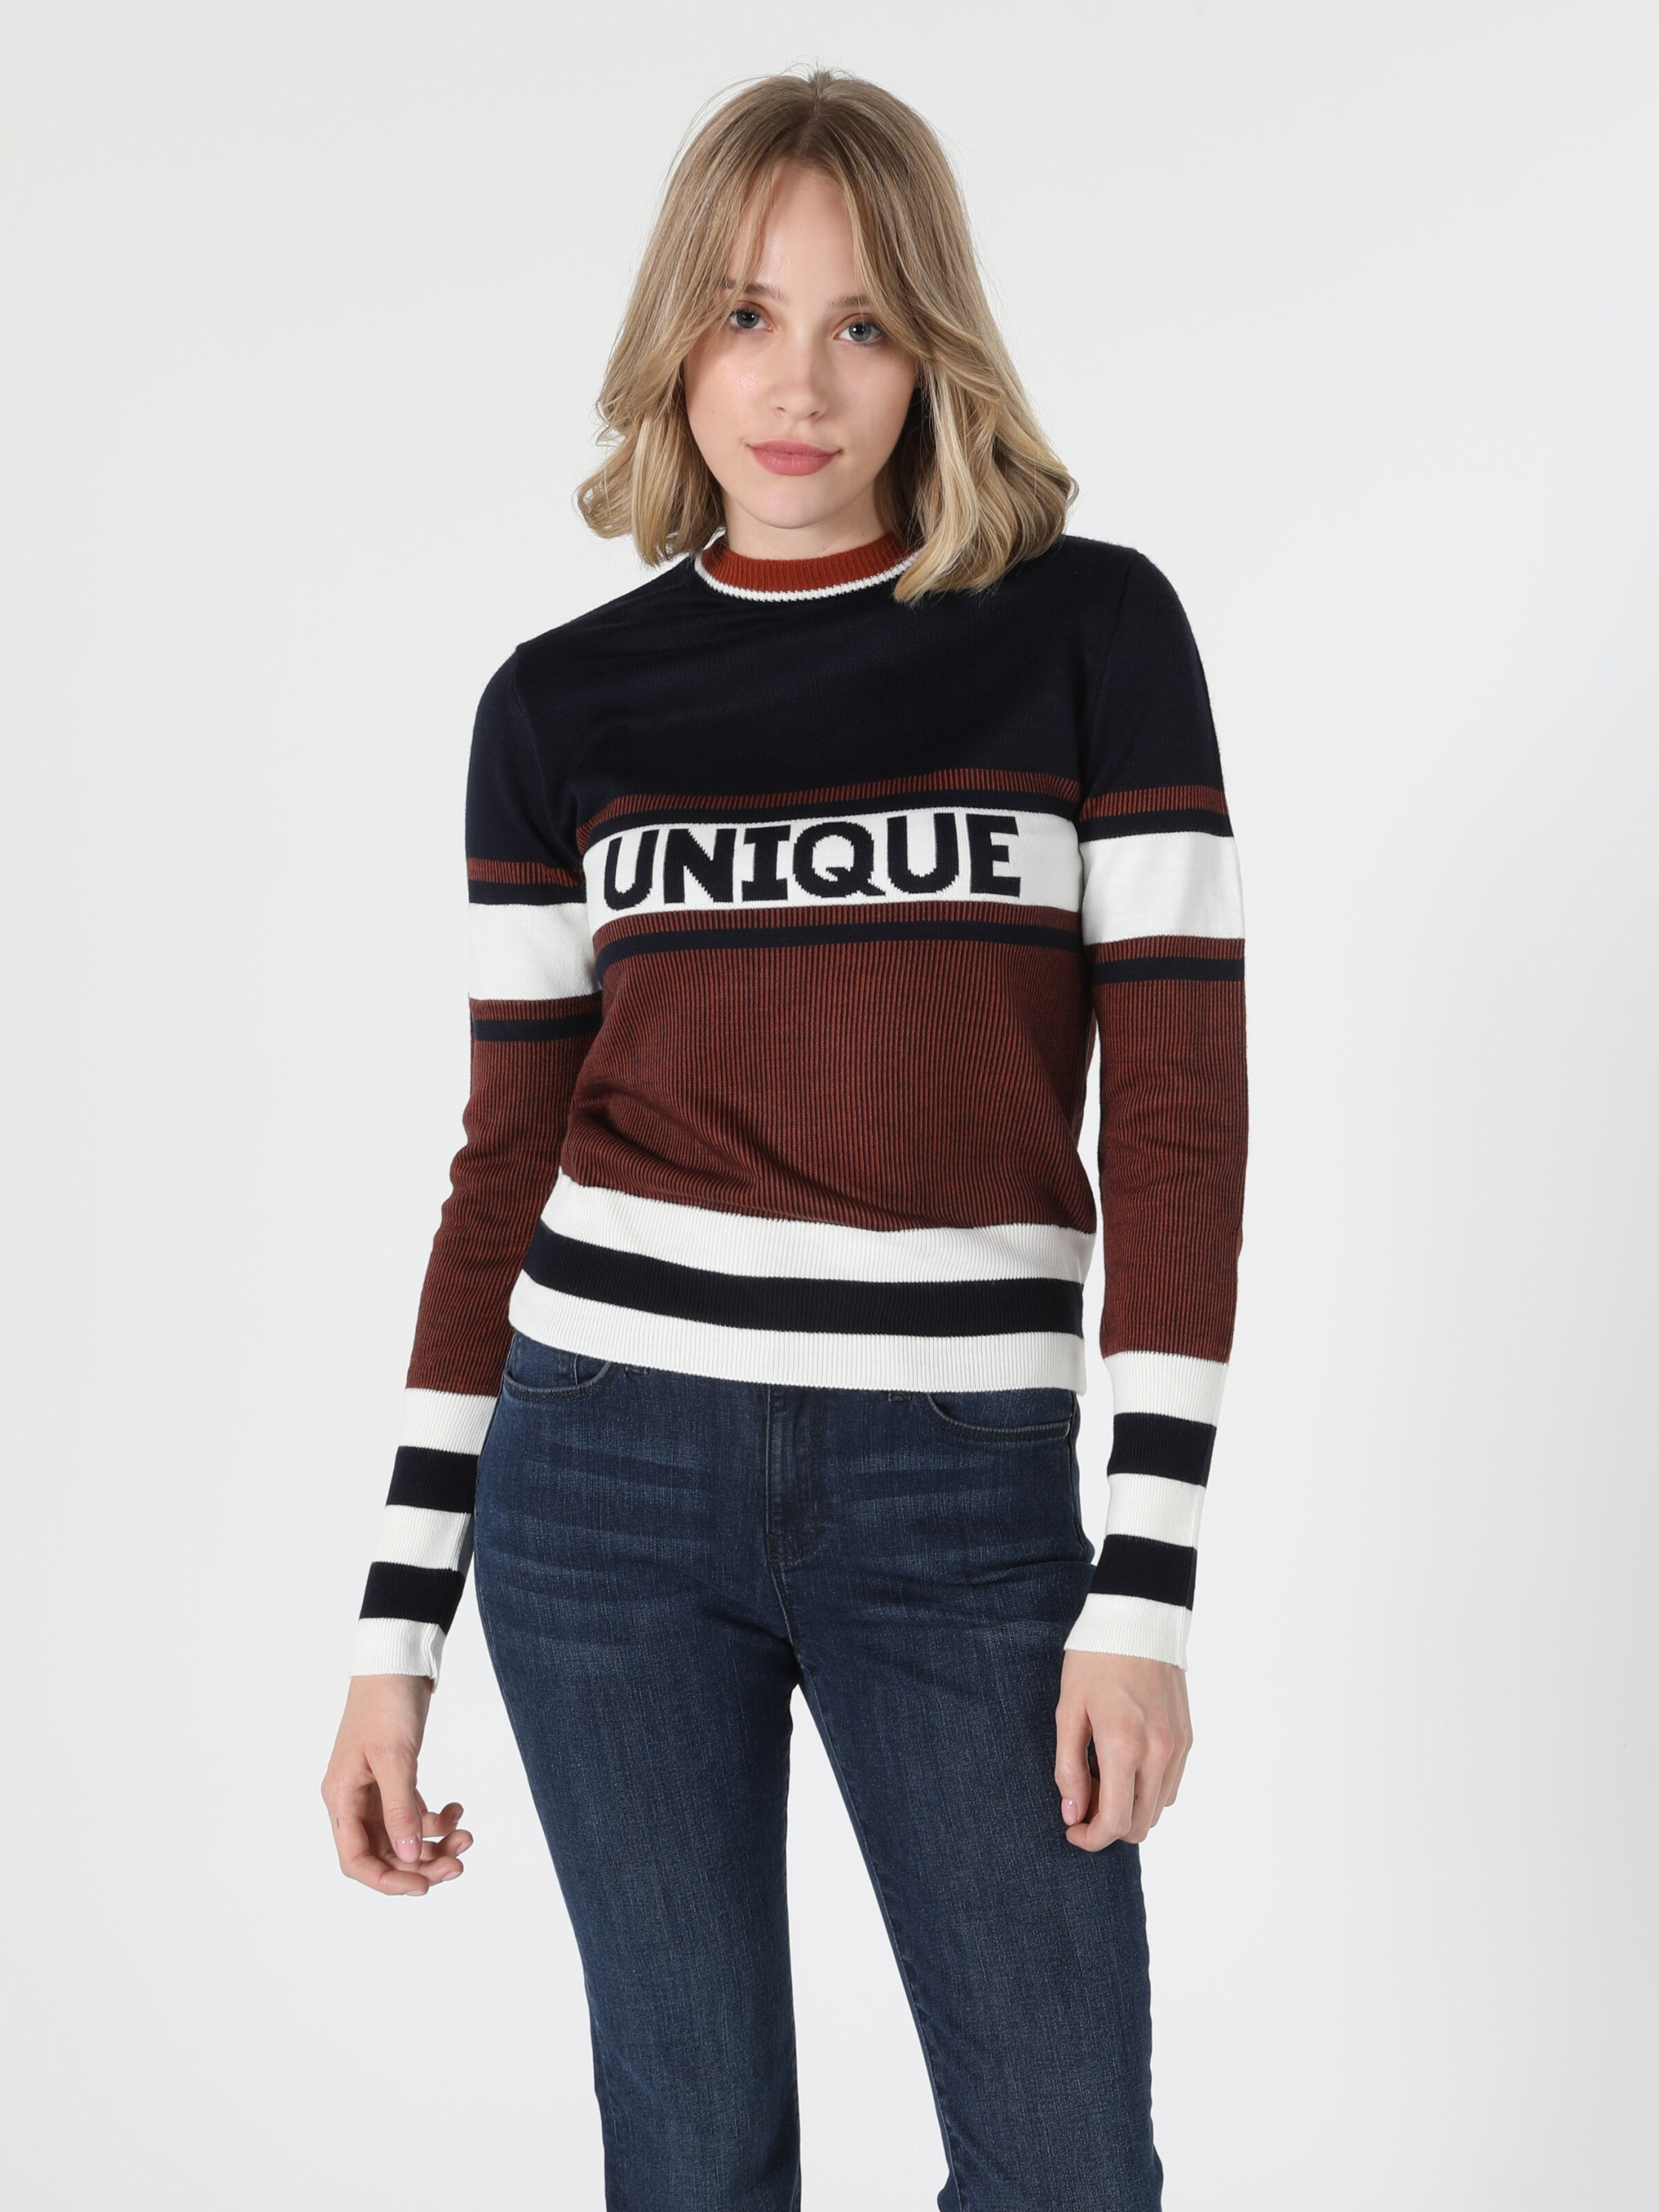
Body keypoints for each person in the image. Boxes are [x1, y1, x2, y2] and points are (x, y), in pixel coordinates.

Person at [321, 66, 1247, 2212]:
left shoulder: (1093, 636)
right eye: (744, 314)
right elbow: (501, 1166)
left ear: (934, 349)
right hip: (602, 1481)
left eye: (860, 322)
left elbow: (1182, 1119)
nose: (799, 383)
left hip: (962, 1494)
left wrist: (1145, 1588)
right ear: (677, 338)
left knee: (1064, 2162)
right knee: (694, 2154)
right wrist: (390, 1637)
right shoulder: (560, 707)